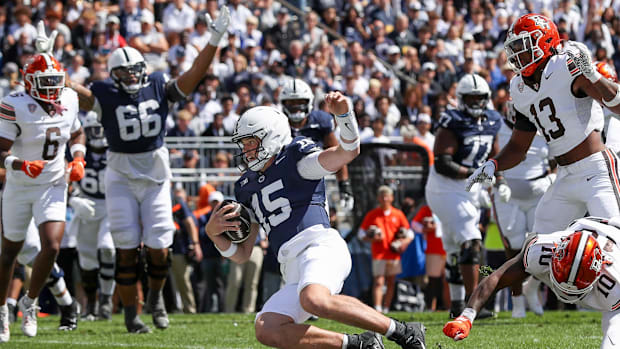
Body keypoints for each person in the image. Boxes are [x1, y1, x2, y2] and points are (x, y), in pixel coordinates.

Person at [206, 92, 425, 349]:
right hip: (291, 267)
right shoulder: (245, 186)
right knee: (267, 327)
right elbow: (243, 254)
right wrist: (215, 235)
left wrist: (344, 114)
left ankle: (403, 331)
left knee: (314, 300)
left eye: (250, 143)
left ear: (271, 137)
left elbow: (348, 151)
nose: (245, 150)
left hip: (319, 247)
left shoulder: (296, 158)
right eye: (242, 144)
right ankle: (357, 344)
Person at [63, 7, 232, 333]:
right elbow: (74, 90)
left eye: (135, 70)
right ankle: (130, 314)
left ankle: (154, 298)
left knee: (159, 246)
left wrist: (213, 40)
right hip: (121, 176)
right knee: (125, 248)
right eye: (124, 72)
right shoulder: (105, 93)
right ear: (113, 75)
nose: (131, 77)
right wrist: (49, 62)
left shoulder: (157, 85)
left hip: (155, 174)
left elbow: (195, 73)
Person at [467, 14, 620, 314]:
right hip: (564, 176)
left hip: (596, 170)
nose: (517, 55)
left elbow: (617, 105)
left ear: (546, 41)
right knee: (533, 252)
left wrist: (595, 77)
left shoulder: (566, 64)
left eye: (524, 47)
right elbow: (519, 146)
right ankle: (515, 302)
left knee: (616, 238)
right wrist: (493, 165)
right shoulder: (519, 89)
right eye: (514, 49)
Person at [0, 26, 86, 341]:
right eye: (44, 83)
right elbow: (1, 152)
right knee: (9, 251)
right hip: (21, 184)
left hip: (52, 182)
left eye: (55, 82)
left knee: (51, 246)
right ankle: (1, 314)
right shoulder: (14, 103)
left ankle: (31, 302)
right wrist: (21, 164)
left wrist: (78, 158)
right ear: (28, 82)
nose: (51, 89)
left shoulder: (70, 97)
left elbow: (77, 133)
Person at [444, 216, 620, 349]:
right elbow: (498, 277)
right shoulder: (542, 251)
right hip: (583, 227)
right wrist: (466, 317)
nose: (568, 291)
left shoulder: (614, 280)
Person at [425, 73, 506, 319]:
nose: (475, 103)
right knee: (471, 241)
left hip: (470, 188)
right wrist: (475, 173)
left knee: (453, 249)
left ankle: (457, 305)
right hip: (445, 188)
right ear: (460, 99)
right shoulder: (453, 121)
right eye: (470, 98)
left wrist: (498, 179)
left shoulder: (492, 119)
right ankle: (474, 304)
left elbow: (494, 153)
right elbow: (442, 163)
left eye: (479, 98)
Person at [490, 101, 554, 317]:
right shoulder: (498, 128)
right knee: (515, 249)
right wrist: (498, 181)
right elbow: (491, 158)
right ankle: (517, 302)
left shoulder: (546, 125)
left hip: (539, 192)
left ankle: (533, 287)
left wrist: (554, 175)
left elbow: (559, 155)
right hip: (510, 196)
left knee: (545, 245)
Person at [68, 111, 116, 320]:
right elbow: (62, 180)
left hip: (111, 206)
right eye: (94, 129)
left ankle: (106, 300)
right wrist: (74, 199)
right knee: (87, 259)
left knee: (107, 249)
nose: (98, 133)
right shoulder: (78, 152)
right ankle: (91, 305)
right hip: (86, 204)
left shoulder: (115, 152)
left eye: (101, 128)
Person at [279, 78, 354, 211]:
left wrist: (344, 184)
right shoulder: (277, 123)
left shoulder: (321, 121)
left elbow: (336, 153)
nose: (296, 106)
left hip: (315, 183)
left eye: (300, 102)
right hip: (284, 182)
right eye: (292, 102)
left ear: (309, 101)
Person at [358, 185, 413, 314]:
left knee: (391, 282)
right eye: (382, 196)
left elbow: (410, 234)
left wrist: (402, 242)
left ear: (392, 198)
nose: (384, 198)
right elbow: (361, 234)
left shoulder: (398, 214)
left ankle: (387, 307)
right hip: (379, 254)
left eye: (387, 196)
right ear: (378, 198)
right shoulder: (373, 214)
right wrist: (372, 238)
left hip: (393, 254)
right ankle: (378, 308)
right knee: (379, 281)